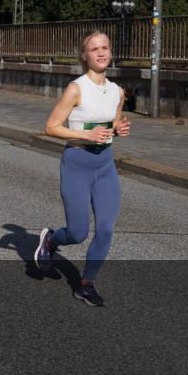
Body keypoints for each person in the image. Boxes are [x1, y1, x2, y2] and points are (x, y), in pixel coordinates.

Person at [35, 31, 131, 307]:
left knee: (106, 229)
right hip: (77, 164)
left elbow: (112, 125)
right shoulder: (76, 89)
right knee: (78, 233)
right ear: (85, 56)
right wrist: (87, 136)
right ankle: (51, 241)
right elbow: (51, 127)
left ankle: (86, 284)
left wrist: (119, 129)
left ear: (110, 52)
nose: (100, 53)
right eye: (94, 49)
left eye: (105, 48)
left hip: (105, 165)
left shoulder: (117, 92)